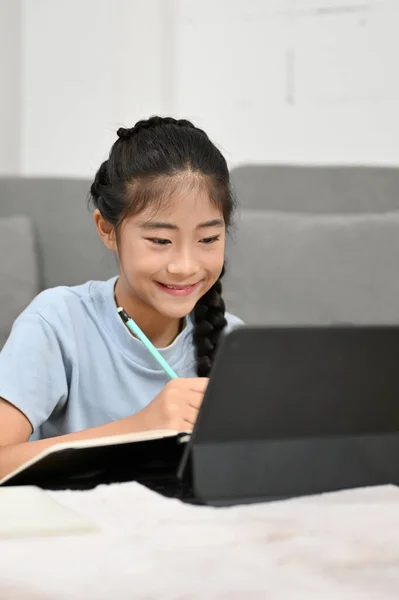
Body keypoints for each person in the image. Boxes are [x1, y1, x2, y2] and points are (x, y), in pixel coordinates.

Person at [0, 116, 242, 478]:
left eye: (208, 240)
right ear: (107, 230)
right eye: (161, 241)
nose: (185, 266)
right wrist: (139, 427)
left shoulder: (235, 341)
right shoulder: (57, 322)